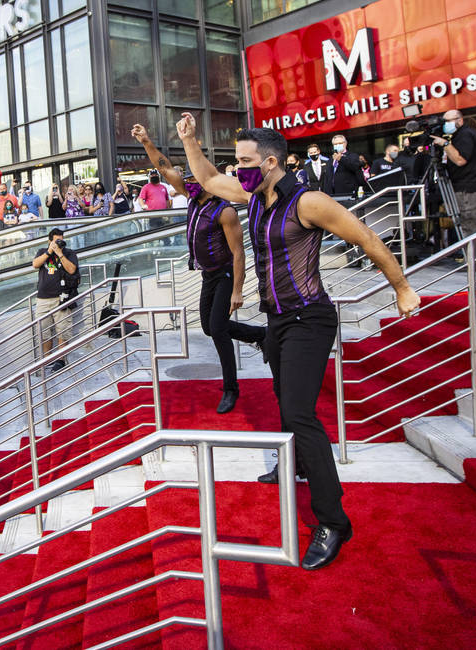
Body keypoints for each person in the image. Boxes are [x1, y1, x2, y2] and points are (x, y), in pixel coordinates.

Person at [176, 112, 419, 571]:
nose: (237, 168)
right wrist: (189, 140)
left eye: (244, 161)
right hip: (278, 320)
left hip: (310, 319)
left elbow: (366, 237)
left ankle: (333, 520)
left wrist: (402, 288)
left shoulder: (309, 202)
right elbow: (207, 178)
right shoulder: (252, 196)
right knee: (284, 401)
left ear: (270, 162)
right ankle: (300, 465)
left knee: (302, 414)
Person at [134, 124, 265, 414]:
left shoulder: (226, 210)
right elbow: (165, 167)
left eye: (197, 175)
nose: (191, 180)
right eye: (191, 176)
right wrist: (146, 141)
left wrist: (237, 291)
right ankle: (260, 336)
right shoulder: (193, 196)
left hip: (225, 274)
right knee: (208, 327)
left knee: (217, 329)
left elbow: (239, 253)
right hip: (207, 275)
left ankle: (231, 388)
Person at [430, 110, 476, 271]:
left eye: (448, 121)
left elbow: (460, 160)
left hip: (469, 187)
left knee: (471, 224)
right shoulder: (470, 134)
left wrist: (445, 144)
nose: (445, 125)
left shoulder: (464, 135)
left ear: (459, 120)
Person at [32, 227, 79, 373]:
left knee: (63, 330)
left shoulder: (69, 253)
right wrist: (49, 252)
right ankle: (47, 359)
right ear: (49, 241)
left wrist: (60, 253)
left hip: (61, 298)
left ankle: (61, 359)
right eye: (56, 240)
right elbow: (35, 264)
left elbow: (72, 270)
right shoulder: (42, 252)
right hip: (43, 299)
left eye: (61, 240)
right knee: (44, 331)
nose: (59, 243)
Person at [329, 135, 367, 199]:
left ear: (345, 143)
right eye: (335, 144)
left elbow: (355, 167)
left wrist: (341, 159)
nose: (338, 145)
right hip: (333, 194)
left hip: (348, 193)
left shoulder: (353, 156)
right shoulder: (331, 159)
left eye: (340, 143)